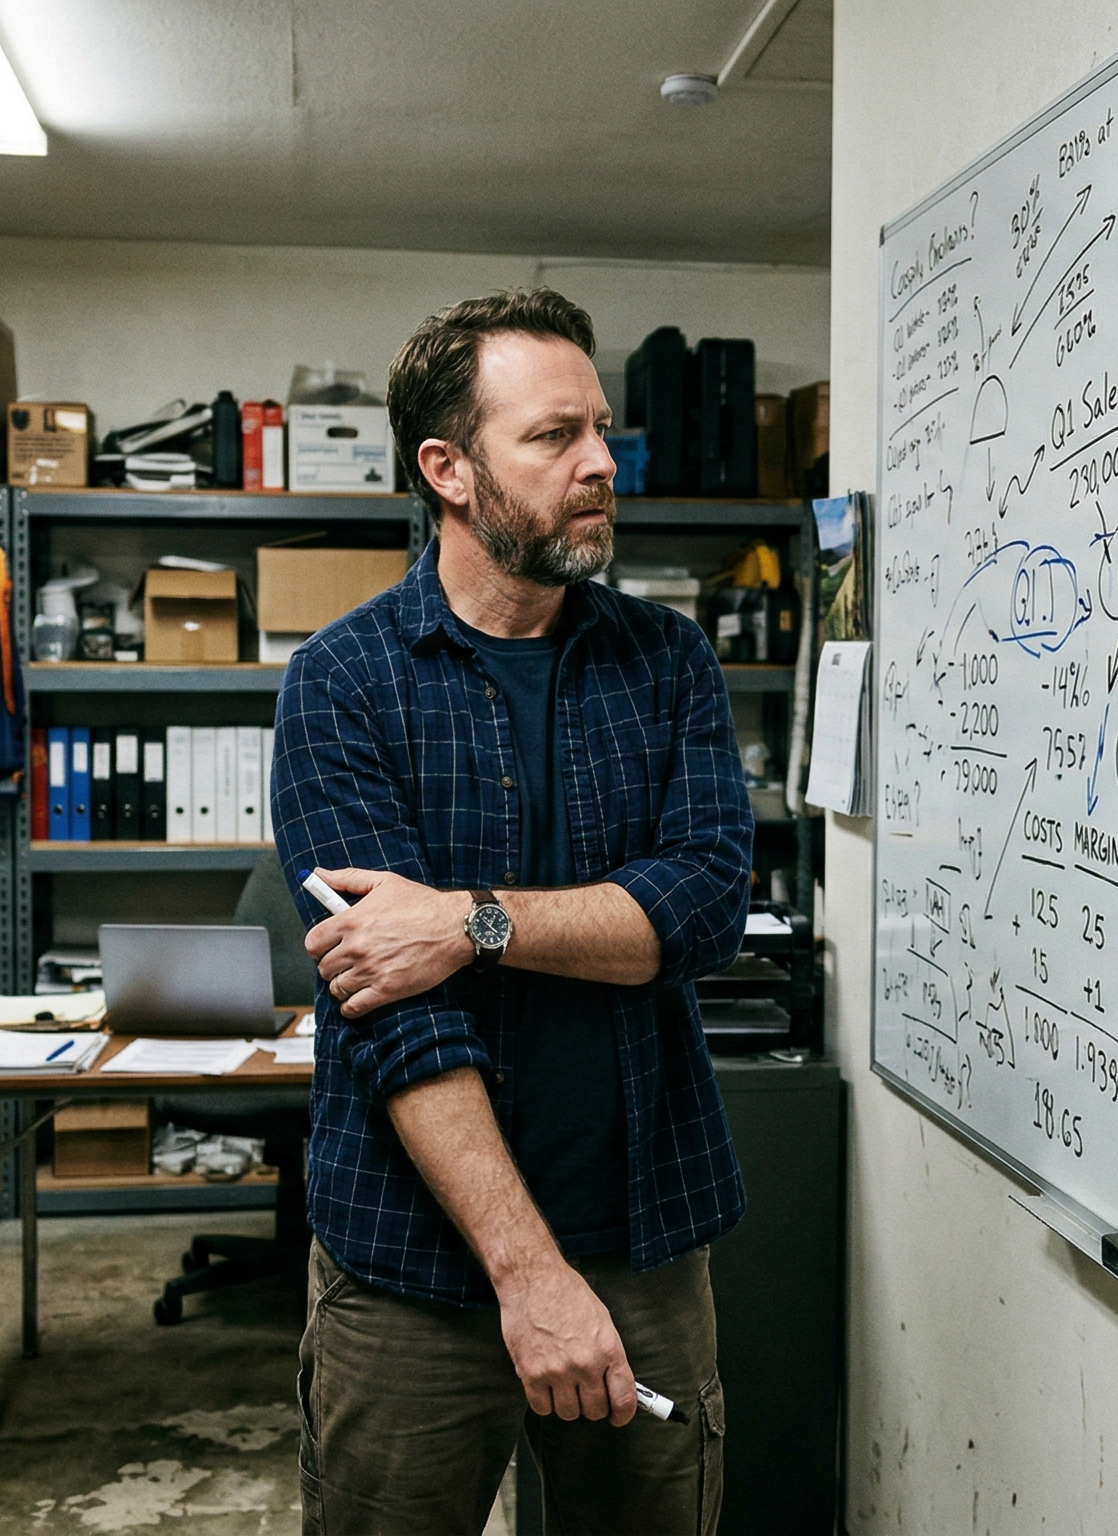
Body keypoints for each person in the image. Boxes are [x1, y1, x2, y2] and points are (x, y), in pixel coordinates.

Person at [270, 288, 753, 1535]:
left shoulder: (667, 663)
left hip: (641, 1235)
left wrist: (468, 923)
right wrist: (529, 1276)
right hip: (409, 1268)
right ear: (448, 469)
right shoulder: (342, 681)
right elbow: (394, 1013)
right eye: (553, 436)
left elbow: (702, 907)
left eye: (599, 429)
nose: (601, 464)